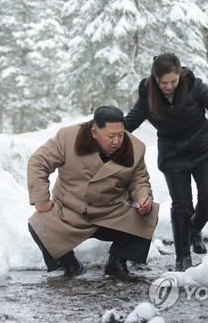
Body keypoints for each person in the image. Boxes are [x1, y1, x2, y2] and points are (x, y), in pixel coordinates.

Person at [124, 53, 208, 272]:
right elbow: (129, 123)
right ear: (155, 79)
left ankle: (192, 230)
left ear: (180, 74)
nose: (169, 86)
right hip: (173, 155)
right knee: (181, 205)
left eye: (173, 81)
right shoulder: (148, 96)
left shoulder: (194, 86)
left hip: (203, 149)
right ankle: (183, 257)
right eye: (164, 82)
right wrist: (106, 141)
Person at [27, 105, 159, 278]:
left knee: (148, 215)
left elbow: (139, 180)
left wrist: (143, 198)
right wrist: (41, 200)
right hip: (71, 210)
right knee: (38, 224)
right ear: (94, 132)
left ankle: (117, 262)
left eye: (120, 134)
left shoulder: (135, 147)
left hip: (112, 212)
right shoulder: (68, 137)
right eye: (111, 136)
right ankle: (70, 264)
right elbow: (38, 162)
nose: (117, 141)